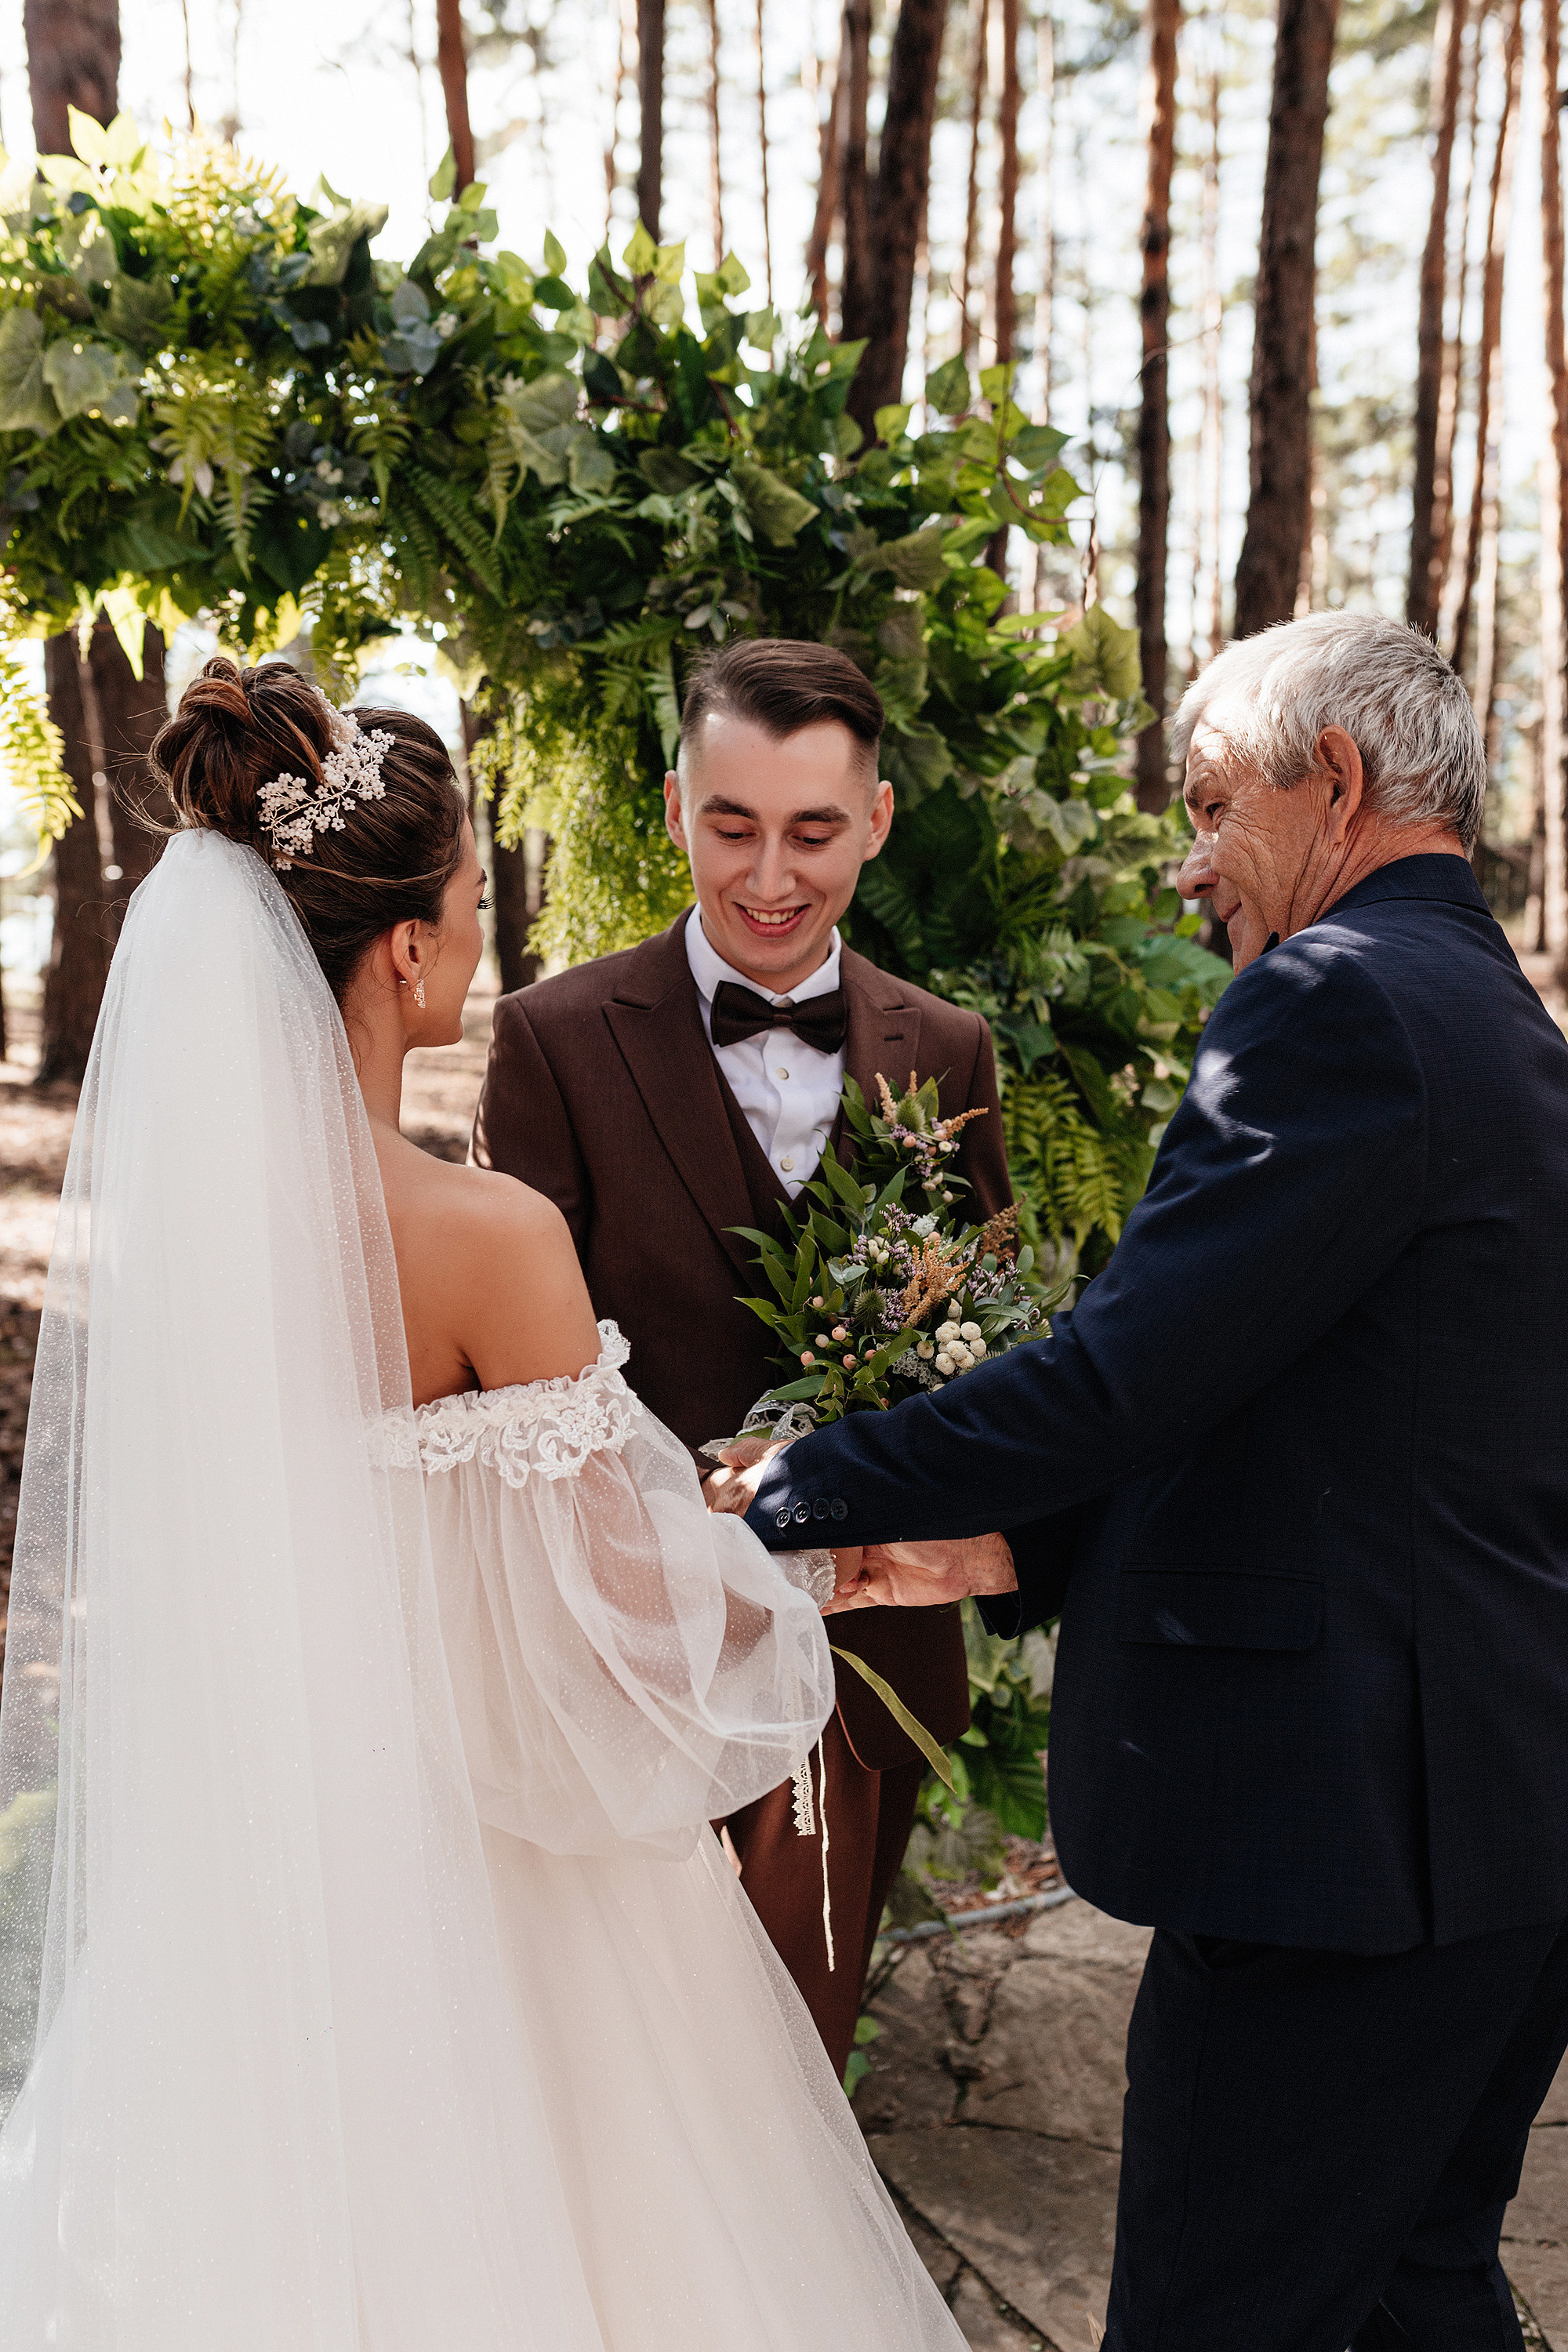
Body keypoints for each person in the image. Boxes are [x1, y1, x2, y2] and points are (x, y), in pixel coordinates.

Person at [0, 656, 967, 2351]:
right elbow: (627, 1631)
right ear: (403, 952)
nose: (477, 933)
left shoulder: (191, 1240)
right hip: (499, 1895)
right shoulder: (487, 1236)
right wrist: (784, 1546)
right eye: (463, 900)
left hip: (249, 1872)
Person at [713, 610, 1568, 2351]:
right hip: (1496, 1824)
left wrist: (804, 1487)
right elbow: (1328, 1421)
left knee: (1210, 2315)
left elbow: (1130, 1374)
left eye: (1206, 808)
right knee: (1414, 2286)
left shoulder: (1335, 1001)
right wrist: (1002, 1541)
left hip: (1335, 1846)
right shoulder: (1501, 1023)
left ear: (1332, 783)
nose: (1191, 870)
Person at [471, 637, 1011, 2076]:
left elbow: (990, 1357)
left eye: (814, 831)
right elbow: (508, 1397)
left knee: (794, 2079)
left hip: (865, 1668)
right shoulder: (553, 1039)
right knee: (626, 2082)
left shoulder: (949, 1052)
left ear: (877, 821)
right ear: (673, 808)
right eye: (734, 824)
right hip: (628, 1673)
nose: (771, 875)